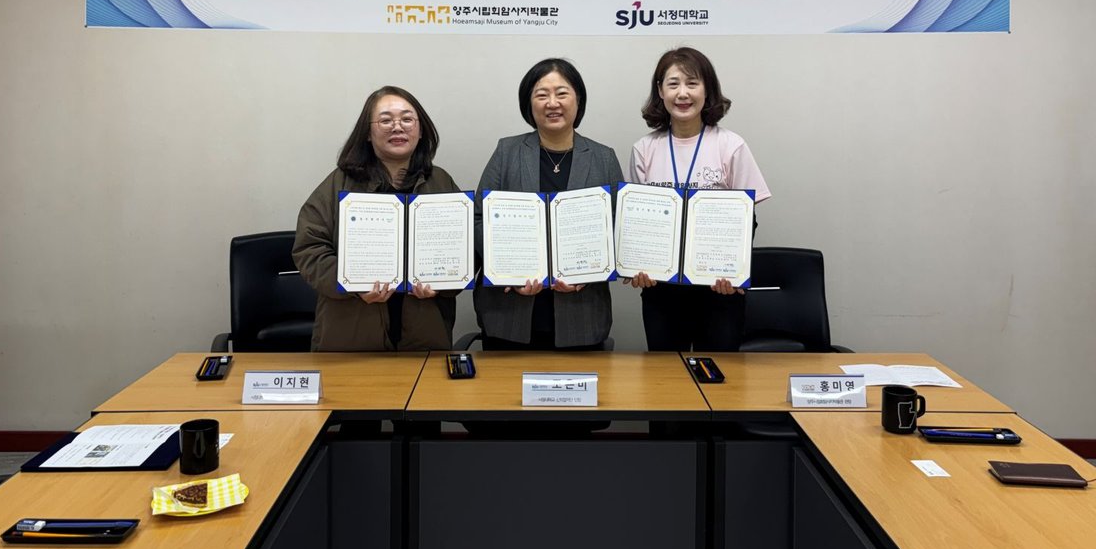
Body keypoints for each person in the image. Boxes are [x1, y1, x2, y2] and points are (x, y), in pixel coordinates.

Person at [293, 86, 461, 351]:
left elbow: (463, 248)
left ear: (420, 130)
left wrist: (442, 283)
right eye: (385, 120)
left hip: (424, 333)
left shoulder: (440, 181)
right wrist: (351, 284)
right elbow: (309, 249)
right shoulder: (340, 182)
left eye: (407, 119)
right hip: (351, 334)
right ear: (368, 133)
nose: (398, 127)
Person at [626, 47, 771, 352]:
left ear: (707, 89)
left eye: (692, 83)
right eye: (673, 84)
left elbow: (747, 220)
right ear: (660, 91)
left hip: (718, 291)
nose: (683, 93)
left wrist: (734, 270)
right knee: (667, 376)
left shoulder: (730, 145)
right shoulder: (644, 149)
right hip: (662, 293)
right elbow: (638, 224)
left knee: (720, 376)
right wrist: (637, 266)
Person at [473, 58, 624, 349]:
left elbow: (619, 226)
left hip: (581, 314)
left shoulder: (603, 158)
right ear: (528, 104)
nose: (552, 103)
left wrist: (589, 272)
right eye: (542, 95)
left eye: (562, 93)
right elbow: (478, 218)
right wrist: (508, 271)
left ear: (578, 100)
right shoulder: (507, 151)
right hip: (509, 313)